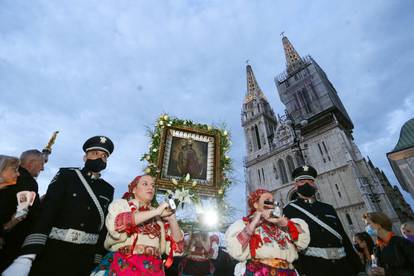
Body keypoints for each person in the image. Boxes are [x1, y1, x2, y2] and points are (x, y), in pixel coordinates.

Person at [3, 136, 115, 276]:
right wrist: (28, 255)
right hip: (53, 252)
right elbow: (47, 214)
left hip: (84, 258)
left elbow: (103, 226)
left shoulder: (108, 189)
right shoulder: (67, 176)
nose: (99, 158)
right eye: (94, 153)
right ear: (85, 157)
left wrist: (97, 261)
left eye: (104, 156)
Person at [91, 174, 184, 275]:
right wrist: (156, 212)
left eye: (153, 186)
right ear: (134, 189)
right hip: (123, 265)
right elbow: (118, 225)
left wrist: (172, 219)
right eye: (145, 184)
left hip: (153, 269)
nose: (151, 188)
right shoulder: (122, 205)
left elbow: (177, 249)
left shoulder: (159, 214)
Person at [283, 165, 364, 276]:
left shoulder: (328, 208)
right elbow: (290, 245)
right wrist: (300, 272)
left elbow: (344, 238)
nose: (307, 184)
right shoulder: (288, 210)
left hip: (344, 267)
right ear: (295, 185)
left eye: (310, 181)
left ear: (314, 184)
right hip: (314, 268)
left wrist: (359, 269)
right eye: (302, 181)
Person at [226, 189, 310, 276]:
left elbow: (303, 242)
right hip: (260, 272)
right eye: (267, 201)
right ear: (256, 205)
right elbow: (235, 250)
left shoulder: (283, 223)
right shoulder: (244, 224)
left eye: (273, 202)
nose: (271, 204)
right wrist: (254, 223)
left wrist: (286, 223)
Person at [0, 150, 44, 271]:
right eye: (14, 170)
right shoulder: (28, 181)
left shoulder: (17, 182)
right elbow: (25, 210)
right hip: (12, 242)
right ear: (31, 163)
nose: (43, 169)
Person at [0, 155, 20, 252]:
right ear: (1, 169)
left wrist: (12, 222)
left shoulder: (9, 198)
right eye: (14, 169)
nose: (18, 174)